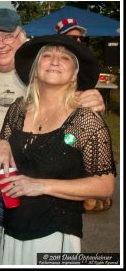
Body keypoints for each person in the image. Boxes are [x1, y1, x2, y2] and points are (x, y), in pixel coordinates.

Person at [0, 8, 106, 253]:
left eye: (8, 35)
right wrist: (2, 143)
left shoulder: (45, 74)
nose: (0, 44)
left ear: (22, 36)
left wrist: (95, 100)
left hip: (37, 207)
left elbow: (77, 113)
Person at [56, 18, 113, 213]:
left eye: (82, 39)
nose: (78, 42)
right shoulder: (50, 64)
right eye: (72, 38)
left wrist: (98, 105)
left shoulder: (86, 65)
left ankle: (91, 194)